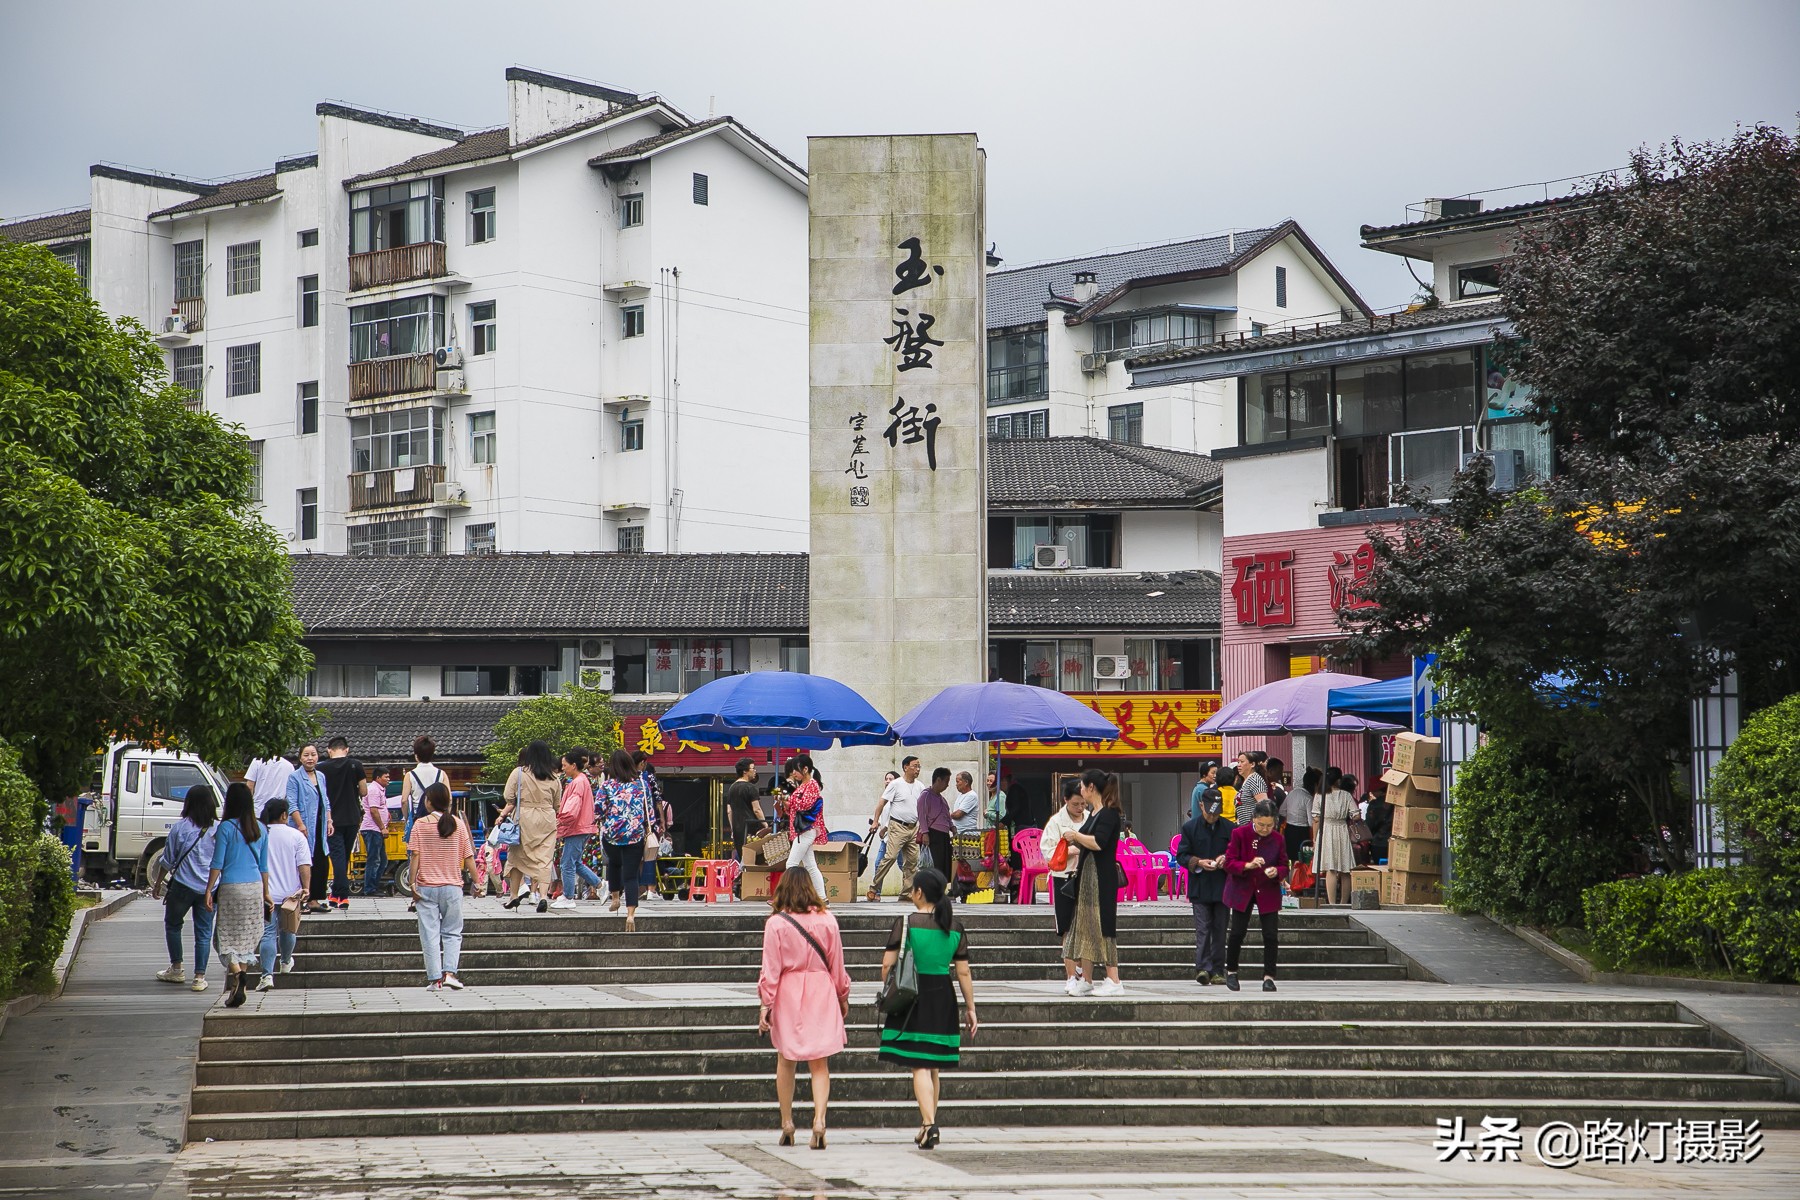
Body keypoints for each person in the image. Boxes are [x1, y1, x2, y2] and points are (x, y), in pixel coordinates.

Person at [877, 867, 976, 1151]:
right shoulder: (954, 927)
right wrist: (971, 1009)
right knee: (932, 1065)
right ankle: (926, 1124)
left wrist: (889, 987)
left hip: (916, 996)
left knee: (919, 1063)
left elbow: (887, 965)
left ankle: (930, 1124)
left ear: (919, 892)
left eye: (912, 888)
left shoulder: (907, 923)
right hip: (943, 996)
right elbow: (964, 973)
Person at [758, 868, 851, 1150]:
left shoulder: (776, 924)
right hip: (821, 989)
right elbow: (837, 964)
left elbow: (770, 970)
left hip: (788, 990)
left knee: (786, 1059)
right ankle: (819, 1121)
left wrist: (766, 1003)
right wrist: (842, 994)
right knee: (820, 1063)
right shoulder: (827, 920)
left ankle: (787, 1122)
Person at [203, 782, 270, 1009]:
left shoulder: (226, 828)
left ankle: (237, 975)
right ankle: (239, 981)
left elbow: (217, 863)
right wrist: (266, 893)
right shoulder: (261, 828)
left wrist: (209, 890)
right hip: (254, 888)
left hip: (232, 887)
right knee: (246, 938)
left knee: (226, 937)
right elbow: (264, 866)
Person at [1059, 769, 1124, 996]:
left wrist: (1075, 836)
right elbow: (1086, 844)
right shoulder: (1095, 813)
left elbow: (1099, 843)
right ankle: (1086, 979)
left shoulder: (1108, 814)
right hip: (1087, 878)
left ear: (1091, 788)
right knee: (1086, 925)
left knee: (1101, 925)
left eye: (1082, 787)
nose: (1081, 791)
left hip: (1100, 878)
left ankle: (1114, 980)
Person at [410, 781, 475, 990]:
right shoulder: (458, 823)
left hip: (426, 887)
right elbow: (468, 857)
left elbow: (415, 856)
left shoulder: (420, 824)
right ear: (448, 802)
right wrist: (479, 881)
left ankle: (435, 979)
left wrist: (412, 882)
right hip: (453, 887)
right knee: (453, 932)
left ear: (428, 802)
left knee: (429, 934)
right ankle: (450, 973)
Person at [155, 784, 219, 993]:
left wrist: (158, 885)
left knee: (173, 925)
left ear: (188, 803)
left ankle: (177, 968)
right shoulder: (218, 829)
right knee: (203, 933)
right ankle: (199, 977)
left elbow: (168, 859)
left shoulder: (180, 827)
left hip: (182, 885)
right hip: (209, 889)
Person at [1223, 800, 1289, 992]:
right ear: (1253, 819)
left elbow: (1285, 865)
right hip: (1243, 888)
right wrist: (1247, 865)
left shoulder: (1278, 839)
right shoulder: (1239, 834)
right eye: (1261, 825)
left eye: (1269, 825)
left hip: (1267, 889)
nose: (1265, 829)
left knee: (1270, 934)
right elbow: (1229, 862)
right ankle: (1232, 971)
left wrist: (1276, 872)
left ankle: (1269, 976)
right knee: (1237, 932)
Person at [1175, 787, 1233, 984]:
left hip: (1223, 886)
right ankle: (1202, 968)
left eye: (1216, 813)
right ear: (1201, 806)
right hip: (1200, 886)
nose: (1212, 816)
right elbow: (1182, 855)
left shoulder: (1229, 828)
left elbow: (1237, 855)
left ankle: (1218, 970)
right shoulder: (1190, 828)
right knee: (1203, 929)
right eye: (1209, 812)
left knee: (1220, 928)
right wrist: (1198, 862)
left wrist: (1226, 859)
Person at [255, 798, 311, 990]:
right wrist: (306, 888)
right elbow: (303, 865)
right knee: (288, 930)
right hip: (290, 894)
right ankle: (286, 961)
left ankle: (267, 976)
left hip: (266, 892)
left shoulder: (260, 835)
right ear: (284, 815)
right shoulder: (296, 836)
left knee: (268, 934)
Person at [499, 740, 559, 913]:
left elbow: (508, 796)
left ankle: (514, 896)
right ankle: (542, 896)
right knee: (544, 859)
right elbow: (557, 804)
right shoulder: (554, 778)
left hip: (524, 817)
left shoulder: (518, 773)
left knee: (517, 857)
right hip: (547, 818)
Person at [1040, 778, 1088, 992]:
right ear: (1066, 800)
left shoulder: (1090, 818)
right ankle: (1070, 975)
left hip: (1087, 877)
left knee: (1087, 927)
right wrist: (1075, 849)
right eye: (1076, 804)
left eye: (1083, 804)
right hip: (1064, 877)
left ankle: (1085, 974)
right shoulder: (1056, 822)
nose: (1080, 808)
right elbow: (1048, 853)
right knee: (1067, 927)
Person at [597, 749, 651, 932]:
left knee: (614, 864)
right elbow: (648, 812)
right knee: (630, 874)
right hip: (634, 834)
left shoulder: (606, 786)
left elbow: (598, 811)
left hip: (611, 835)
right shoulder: (642, 785)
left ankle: (615, 898)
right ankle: (630, 915)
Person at [314, 736, 365, 911]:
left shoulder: (320, 769)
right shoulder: (356, 765)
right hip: (352, 817)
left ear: (328, 750)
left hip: (331, 819)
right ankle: (338, 894)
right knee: (344, 855)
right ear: (347, 749)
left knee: (337, 856)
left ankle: (341, 895)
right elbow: (364, 791)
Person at [866, 757, 924, 900]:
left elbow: (923, 808)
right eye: (915, 766)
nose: (917, 769)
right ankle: (874, 888)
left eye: (919, 767)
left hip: (913, 828)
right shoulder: (896, 784)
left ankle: (906, 893)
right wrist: (875, 822)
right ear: (905, 767)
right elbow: (881, 803)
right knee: (890, 857)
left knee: (912, 862)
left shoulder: (920, 786)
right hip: (897, 826)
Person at [283, 745, 330, 912]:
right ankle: (300, 899)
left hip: (319, 825)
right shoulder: (294, 777)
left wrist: (329, 821)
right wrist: (300, 824)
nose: (310, 758)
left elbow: (326, 801)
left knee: (320, 860)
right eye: (306, 755)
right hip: (302, 826)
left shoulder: (321, 776)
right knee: (302, 861)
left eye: (313, 755)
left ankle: (314, 899)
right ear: (300, 758)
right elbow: (291, 803)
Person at [553, 749, 599, 910]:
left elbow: (572, 807)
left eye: (565, 765)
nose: (563, 768)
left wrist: (560, 820)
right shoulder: (582, 780)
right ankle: (600, 885)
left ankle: (568, 896)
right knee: (575, 862)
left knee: (567, 863)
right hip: (581, 826)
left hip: (576, 827)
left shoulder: (578, 782)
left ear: (573, 765)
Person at [778, 754, 827, 899]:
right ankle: (822, 898)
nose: (793, 773)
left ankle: (787, 898)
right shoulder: (804, 786)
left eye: (796, 770)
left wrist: (789, 799)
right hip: (803, 830)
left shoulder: (811, 785)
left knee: (791, 864)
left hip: (806, 830)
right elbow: (795, 808)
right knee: (811, 866)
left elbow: (804, 805)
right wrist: (786, 802)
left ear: (805, 769)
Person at [1311, 773, 1359, 905]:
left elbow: (1315, 819)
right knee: (1345, 869)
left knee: (1330, 868)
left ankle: (1332, 903)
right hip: (1342, 829)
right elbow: (1356, 815)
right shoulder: (1346, 795)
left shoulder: (1319, 795)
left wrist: (1315, 839)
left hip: (1326, 830)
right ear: (1338, 780)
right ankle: (1344, 902)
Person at [633, 752, 673, 898]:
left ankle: (640, 889)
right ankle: (651, 889)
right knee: (650, 854)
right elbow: (657, 800)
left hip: (632, 823)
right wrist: (661, 820)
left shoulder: (626, 777)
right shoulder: (647, 777)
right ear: (643, 762)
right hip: (648, 823)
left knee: (636, 857)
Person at [401, 736, 447, 834]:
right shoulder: (441, 774)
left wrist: (407, 820)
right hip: (439, 820)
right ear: (432, 754)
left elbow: (404, 801)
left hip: (418, 818)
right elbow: (449, 799)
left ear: (416, 755)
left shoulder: (410, 775)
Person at [915, 767, 954, 879]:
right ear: (938, 780)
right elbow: (922, 816)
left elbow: (947, 816)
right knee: (933, 865)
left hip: (943, 835)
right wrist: (925, 833)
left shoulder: (942, 799)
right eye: (946, 781)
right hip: (932, 835)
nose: (947, 785)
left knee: (943, 865)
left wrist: (953, 828)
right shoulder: (925, 796)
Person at [359, 766, 392, 897]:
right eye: (386, 777)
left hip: (376, 830)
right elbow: (373, 810)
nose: (388, 779)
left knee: (382, 860)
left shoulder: (380, 790)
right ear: (378, 778)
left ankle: (374, 886)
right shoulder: (373, 790)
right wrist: (382, 827)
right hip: (372, 829)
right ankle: (370, 889)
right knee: (374, 859)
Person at [726, 758, 768, 861]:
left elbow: (729, 811)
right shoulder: (750, 788)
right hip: (752, 828)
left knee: (743, 859)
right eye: (753, 768)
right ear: (745, 771)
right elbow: (757, 809)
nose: (755, 771)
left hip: (738, 829)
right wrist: (765, 825)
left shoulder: (731, 788)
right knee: (756, 859)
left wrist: (733, 827)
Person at [1282, 767, 1320, 865]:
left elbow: (1282, 811)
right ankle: (1297, 880)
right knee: (1301, 861)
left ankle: (1289, 880)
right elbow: (1311, 822)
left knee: (1291, 860)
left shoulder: (1292, 792)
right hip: (1301, 833)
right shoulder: (1309, 799)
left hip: (1289, 830)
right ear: (1315, 785)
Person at [1232, 751, 1269, 824]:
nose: (1238, 765)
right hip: (1244, 827)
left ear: (1252, 764)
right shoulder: (1246, 781)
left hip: (1252, 828)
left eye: (1242, 762)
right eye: (1238, 762)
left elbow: (1264, 806)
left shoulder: (1255, 780)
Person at [1364, 777, 1393, 863]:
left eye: (1373, 791)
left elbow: (1370, 824)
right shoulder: (1396, 802)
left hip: (1379, 842)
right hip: (1395, 841)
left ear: (1379, 791)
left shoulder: (1374, 804)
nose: (1372, 793)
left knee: (1380, 869)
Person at [949, 771, 980, 836]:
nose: (956, 784)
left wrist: (947, 816)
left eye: (958, 782)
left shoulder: (971, 796)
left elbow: (958, 814)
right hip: (959, 834)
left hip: (968, 835)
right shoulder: (961, 795)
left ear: (966, 782)